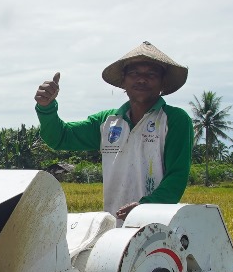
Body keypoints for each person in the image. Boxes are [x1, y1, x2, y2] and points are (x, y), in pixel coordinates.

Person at [34, 41, 193, 222]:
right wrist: (46, 108)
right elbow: (60, 137)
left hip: (158, 225)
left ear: (162, 82)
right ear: (123, 81)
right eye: (134, 73)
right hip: (114, 227)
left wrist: (145, 207)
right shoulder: (107, 122)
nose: (142, 79)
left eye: (151, 74)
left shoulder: (175, 120)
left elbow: (177, 176)